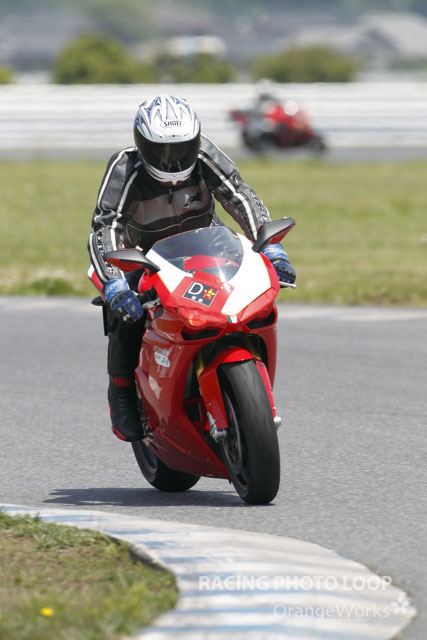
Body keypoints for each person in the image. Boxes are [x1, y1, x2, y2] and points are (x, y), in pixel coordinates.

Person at [88, 94, 296, 443]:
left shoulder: (204, 154)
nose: (171, 160)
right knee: (128, 312)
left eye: (181, 148)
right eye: (160, 150)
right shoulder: (124, 166)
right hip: (146, 254)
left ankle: (245, 367)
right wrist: (115, 284)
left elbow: (238, 194)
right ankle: (121, 390)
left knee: (247, 291)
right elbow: (105, 225)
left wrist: (270, 245)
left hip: (206, 246)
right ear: (142, 144)